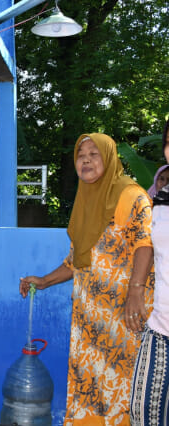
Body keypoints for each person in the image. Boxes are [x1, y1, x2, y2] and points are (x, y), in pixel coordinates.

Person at [19, 133, 154, 424]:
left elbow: (145, 244)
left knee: (121, 387)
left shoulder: (131, 195)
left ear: (109, 158)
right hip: (89, 319)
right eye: (81, 155)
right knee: (90, 387)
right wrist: (45, 280)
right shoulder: (85, 200)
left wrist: (136, 292)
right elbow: (77, 260)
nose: (86, 160)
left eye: (94, 154)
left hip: (122, 315)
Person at [130, 117, 169, 424]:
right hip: (161, 326)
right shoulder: (160, 198)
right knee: (143, 414)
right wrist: (136, 288)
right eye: (168, 143)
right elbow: (143, 242)